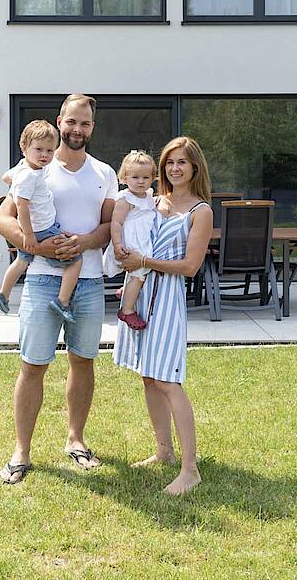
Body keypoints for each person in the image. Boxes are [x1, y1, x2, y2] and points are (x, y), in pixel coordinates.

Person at [0, 94, 116, 485]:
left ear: (93, 128)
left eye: (85, 124)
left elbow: (108, 227)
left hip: (90, 281)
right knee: (33, 365)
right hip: (44, 279)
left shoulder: (105, 173)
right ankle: (21, 452)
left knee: (83, 362)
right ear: (60, 121)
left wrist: (81, 243)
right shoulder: (36, 164)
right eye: (71, 122)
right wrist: (38, 246)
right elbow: (4, 220)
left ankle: (75, 440)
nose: (77, 130)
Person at [113, 136, 213, 496]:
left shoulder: (200, 212)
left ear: (195, 167)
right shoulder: (152, 201)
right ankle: (164, 452)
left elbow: (189, 267)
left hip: (168, 299)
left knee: (169, 380)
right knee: (149, 377)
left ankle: (190, 470)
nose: (174, 168)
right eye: (169, 162)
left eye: (182, 162)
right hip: (140, 295)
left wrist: (143, 262)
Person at [0, 120, 82, 323]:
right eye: (39, 149)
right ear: (24, 148)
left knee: (22, 261)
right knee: (75, 260)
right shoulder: (30, 176)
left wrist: (12, 180)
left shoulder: (23, 168)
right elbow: (21, 205)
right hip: (42, 230)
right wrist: (29, 236)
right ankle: (62, 301)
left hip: (36, 228)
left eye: (49, 151)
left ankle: (3, 294)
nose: (44, 155)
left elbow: (6, 176)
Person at [103, 150, 159, 332]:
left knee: (140, 271)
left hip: (143, 238)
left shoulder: (150, 196)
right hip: (130, 240)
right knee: (140, 268)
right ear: (125, 177)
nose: (141, 181)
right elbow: (117, 222)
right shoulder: (126, 198)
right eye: (135, 177)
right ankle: (126, 310)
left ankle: (127, 290)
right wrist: (118, 244)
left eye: (145, 177)